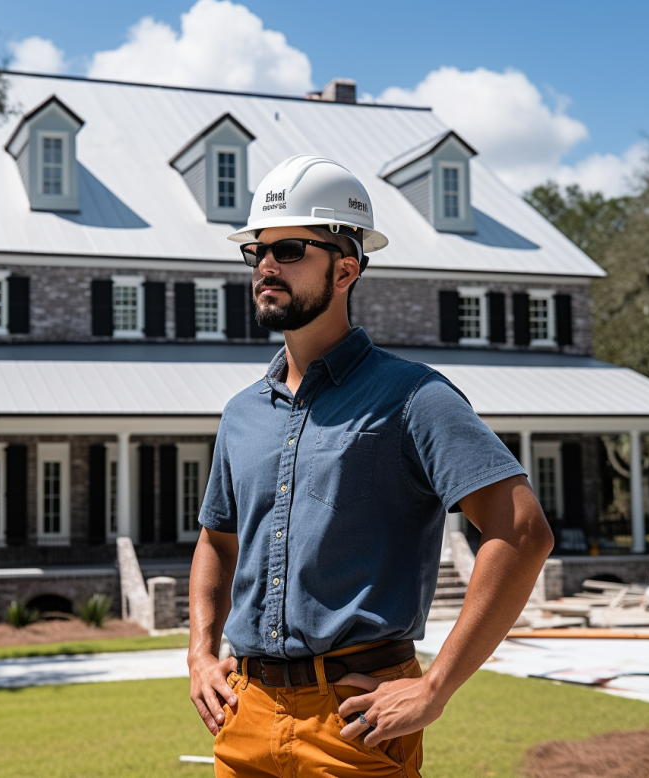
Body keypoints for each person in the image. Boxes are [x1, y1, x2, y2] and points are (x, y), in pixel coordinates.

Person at [187, 155, 553, 777]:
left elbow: (521, 533)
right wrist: (200, 652)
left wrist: (435, 687)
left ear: (346, 269)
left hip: (356, 719)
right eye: (258, 251)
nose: (266, 266)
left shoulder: (414, 397)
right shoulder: (241, 413)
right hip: (243, 718)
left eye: (291, 249)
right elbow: (218, 542)